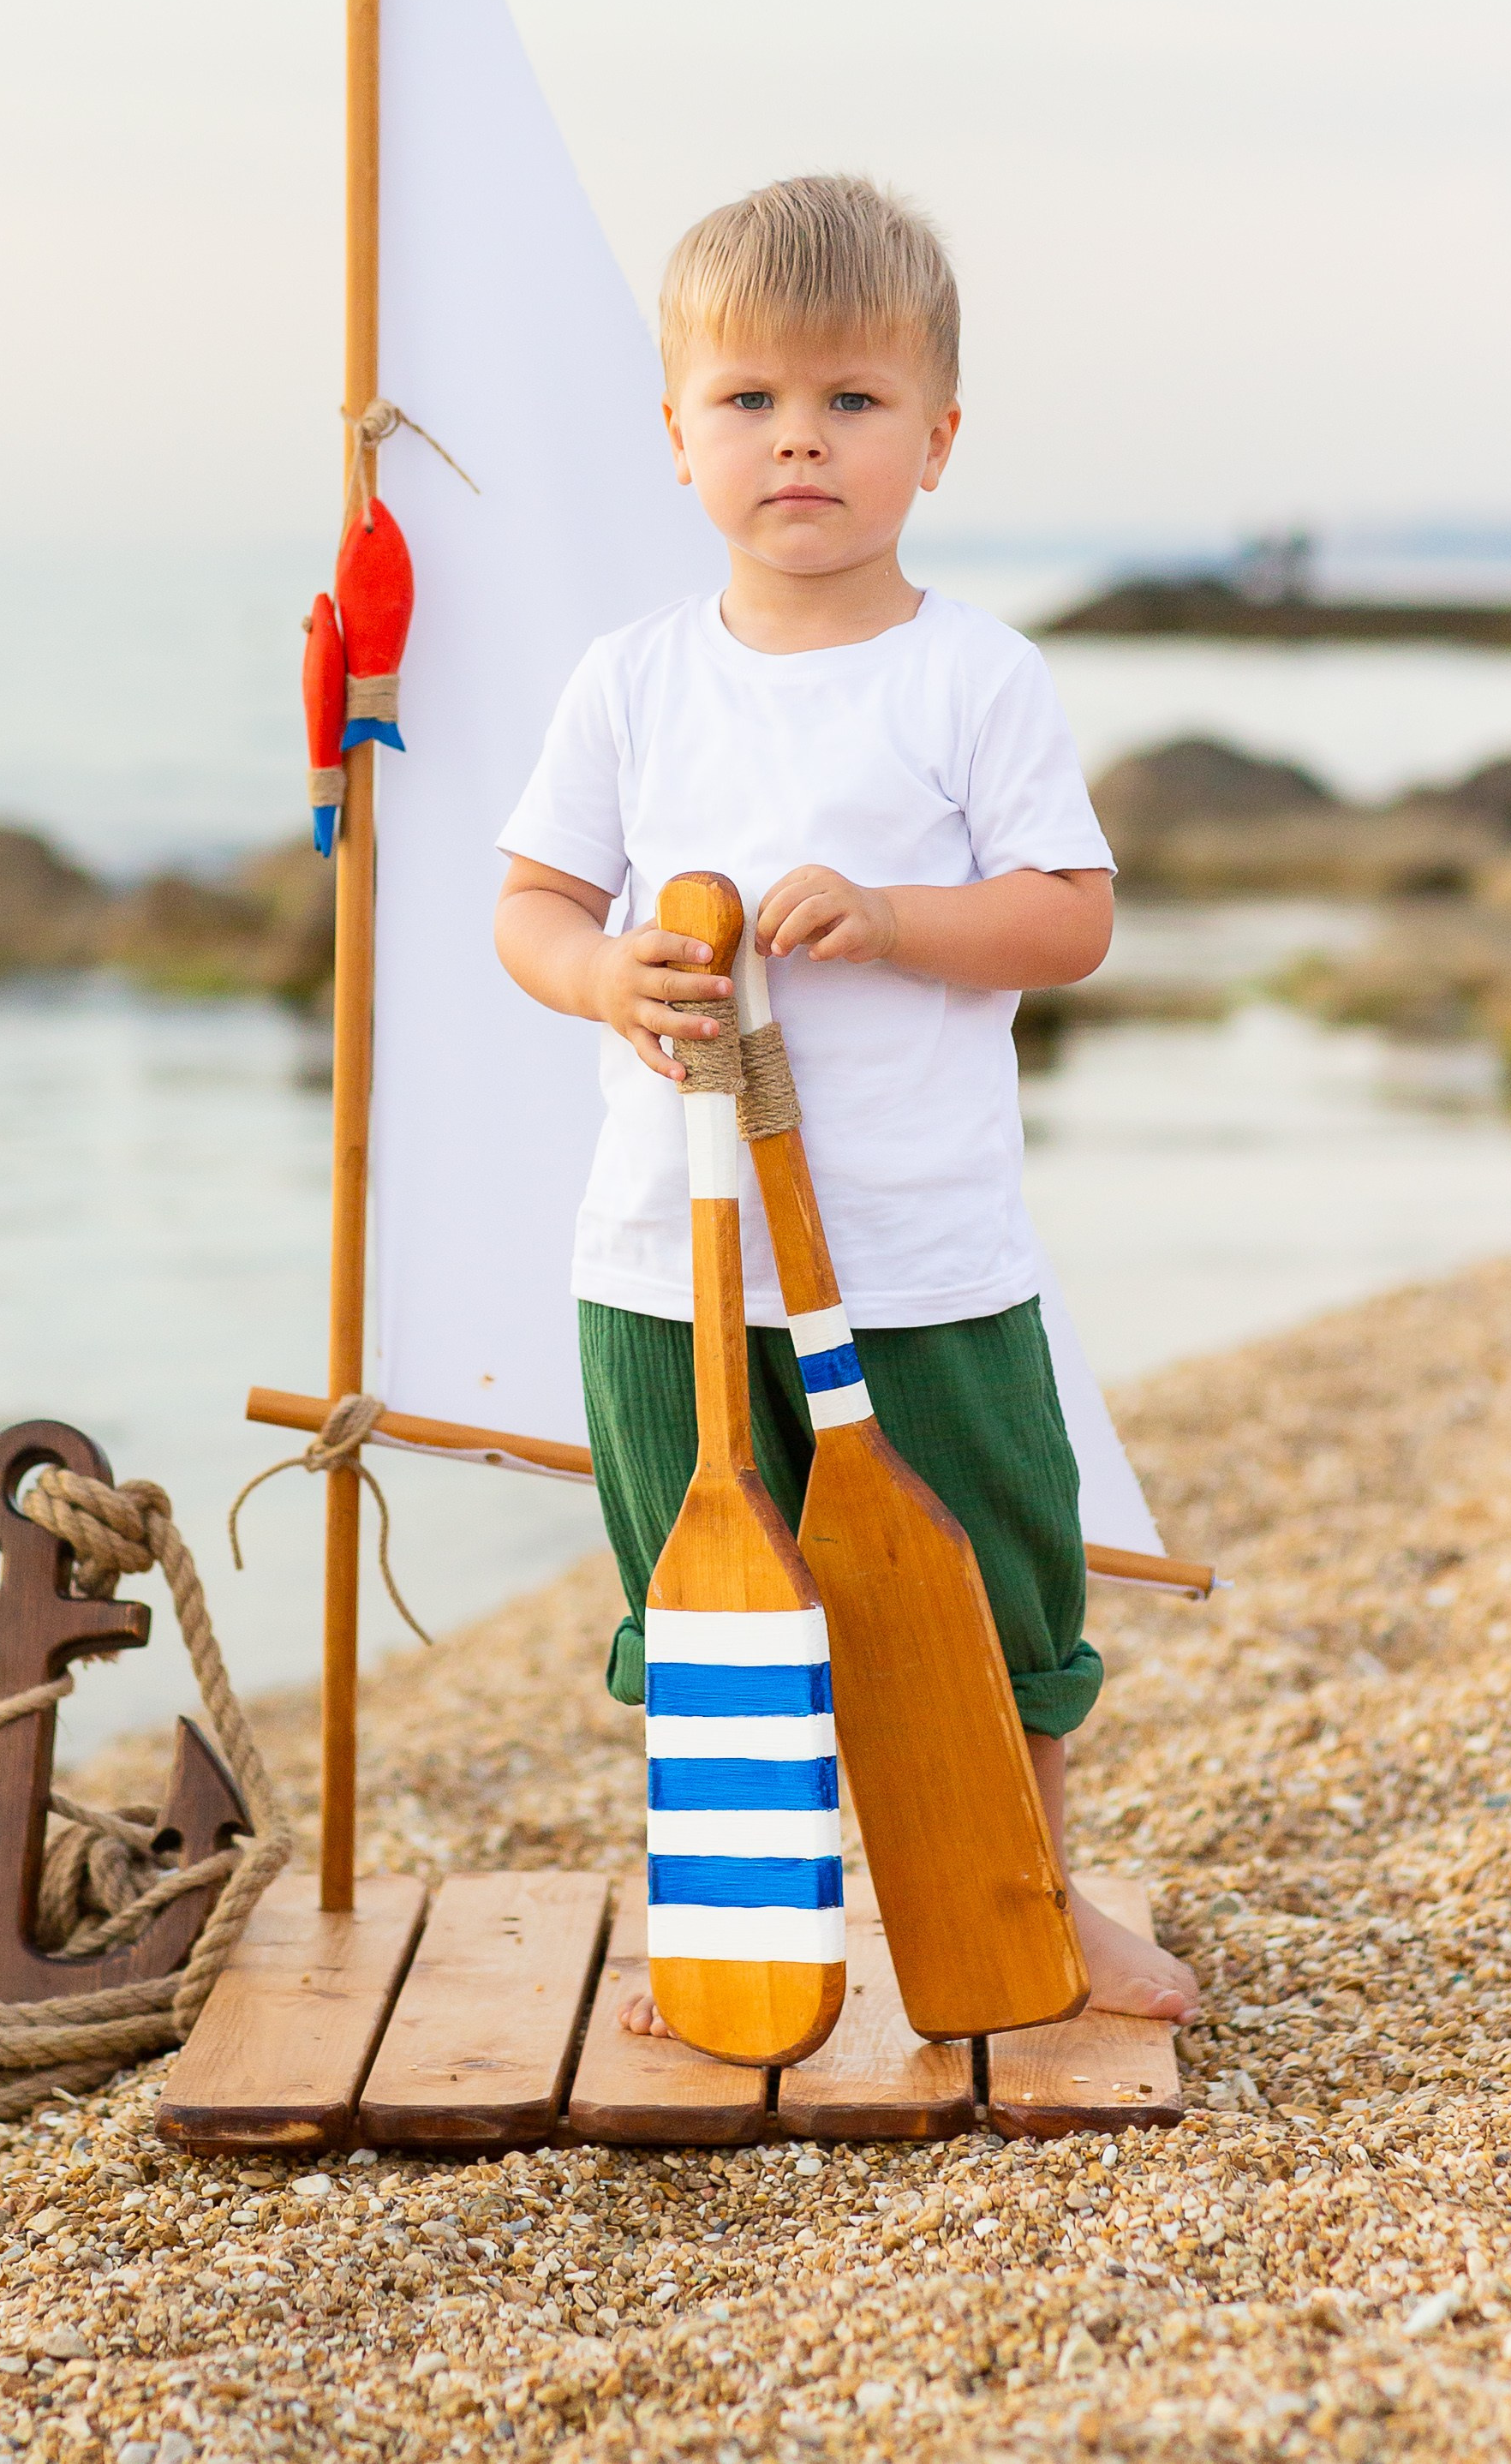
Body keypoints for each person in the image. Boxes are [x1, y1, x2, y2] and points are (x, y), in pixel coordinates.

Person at [493, 174, 1198, 2030]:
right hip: (671, 1258)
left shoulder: (972, 677)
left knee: (991, 1592)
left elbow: (1069, 917)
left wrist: (891, 921)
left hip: (918, 1253)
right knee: (709, 1620)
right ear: (677, 437)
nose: (796, 438)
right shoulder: (633, 683)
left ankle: (1027, 1892)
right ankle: (731, 1925)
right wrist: (601, 972)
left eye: (851, 400)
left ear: (936, 440)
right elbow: (531, 907)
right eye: (748, 400)